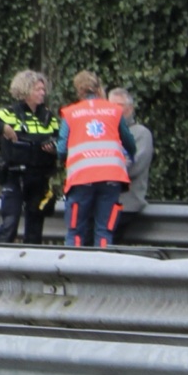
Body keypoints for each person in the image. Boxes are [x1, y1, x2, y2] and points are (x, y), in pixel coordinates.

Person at [0, 70, 60, 244]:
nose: (42, 93)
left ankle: (31, 267)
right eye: (38, 89)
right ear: (25, 91)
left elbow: (61, 139)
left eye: (43, 89)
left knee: (35, 228)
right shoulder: (10, 113)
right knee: (10, 224)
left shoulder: (48, 117)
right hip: (14, 176)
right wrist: (2, 128)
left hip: (39, 178)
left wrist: (54, 147)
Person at [55, 70, 135, 248]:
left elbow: (61, 149)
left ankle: (72, 271)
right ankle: (102, 272)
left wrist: (66, 159)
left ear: (78, 90)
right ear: (99, 88)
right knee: (104, 231)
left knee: (75, 232)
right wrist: (131, 156)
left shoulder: (70, 113)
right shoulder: (114, 111)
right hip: (111, 177)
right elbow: (129, 141)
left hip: (81, 179)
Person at [107, 88, 152, 244]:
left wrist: (106, 172)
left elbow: (135, 166)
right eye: (111, 105)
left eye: (119, 105)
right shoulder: (103, 132)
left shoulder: (140, 133)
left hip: (126, 202)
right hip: (102, 200)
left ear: (130, 108)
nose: (114, 110)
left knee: (107, 242)